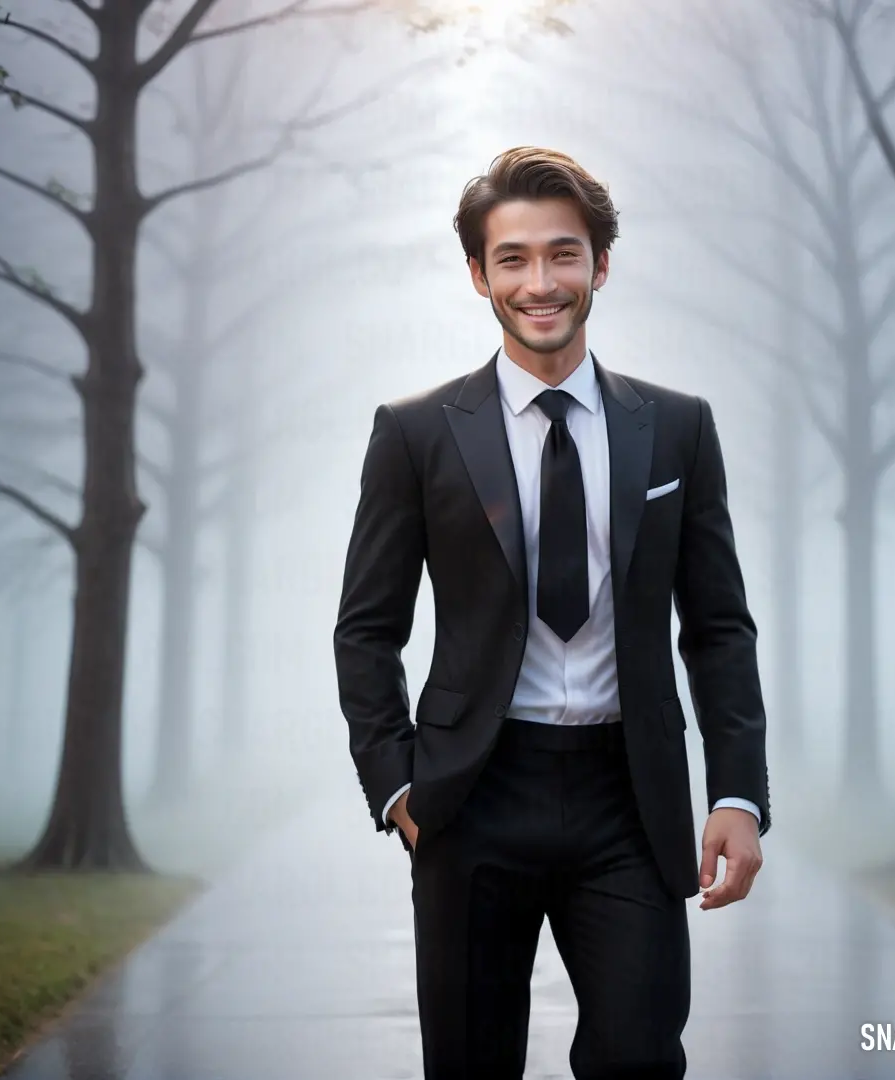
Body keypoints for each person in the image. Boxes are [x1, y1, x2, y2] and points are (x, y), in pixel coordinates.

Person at [333, 146, 770, 1080]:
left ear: (601, 265)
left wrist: (736, 792)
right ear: (480, 276)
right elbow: (368, 628)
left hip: (629, 797)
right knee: (470, 1064)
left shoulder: (678, 425)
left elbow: (720, 625)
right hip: (470, 799)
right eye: (515, 259)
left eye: (564, 255)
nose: (542, 283)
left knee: (638, 1058)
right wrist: (398, 788)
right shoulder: (414, 435)